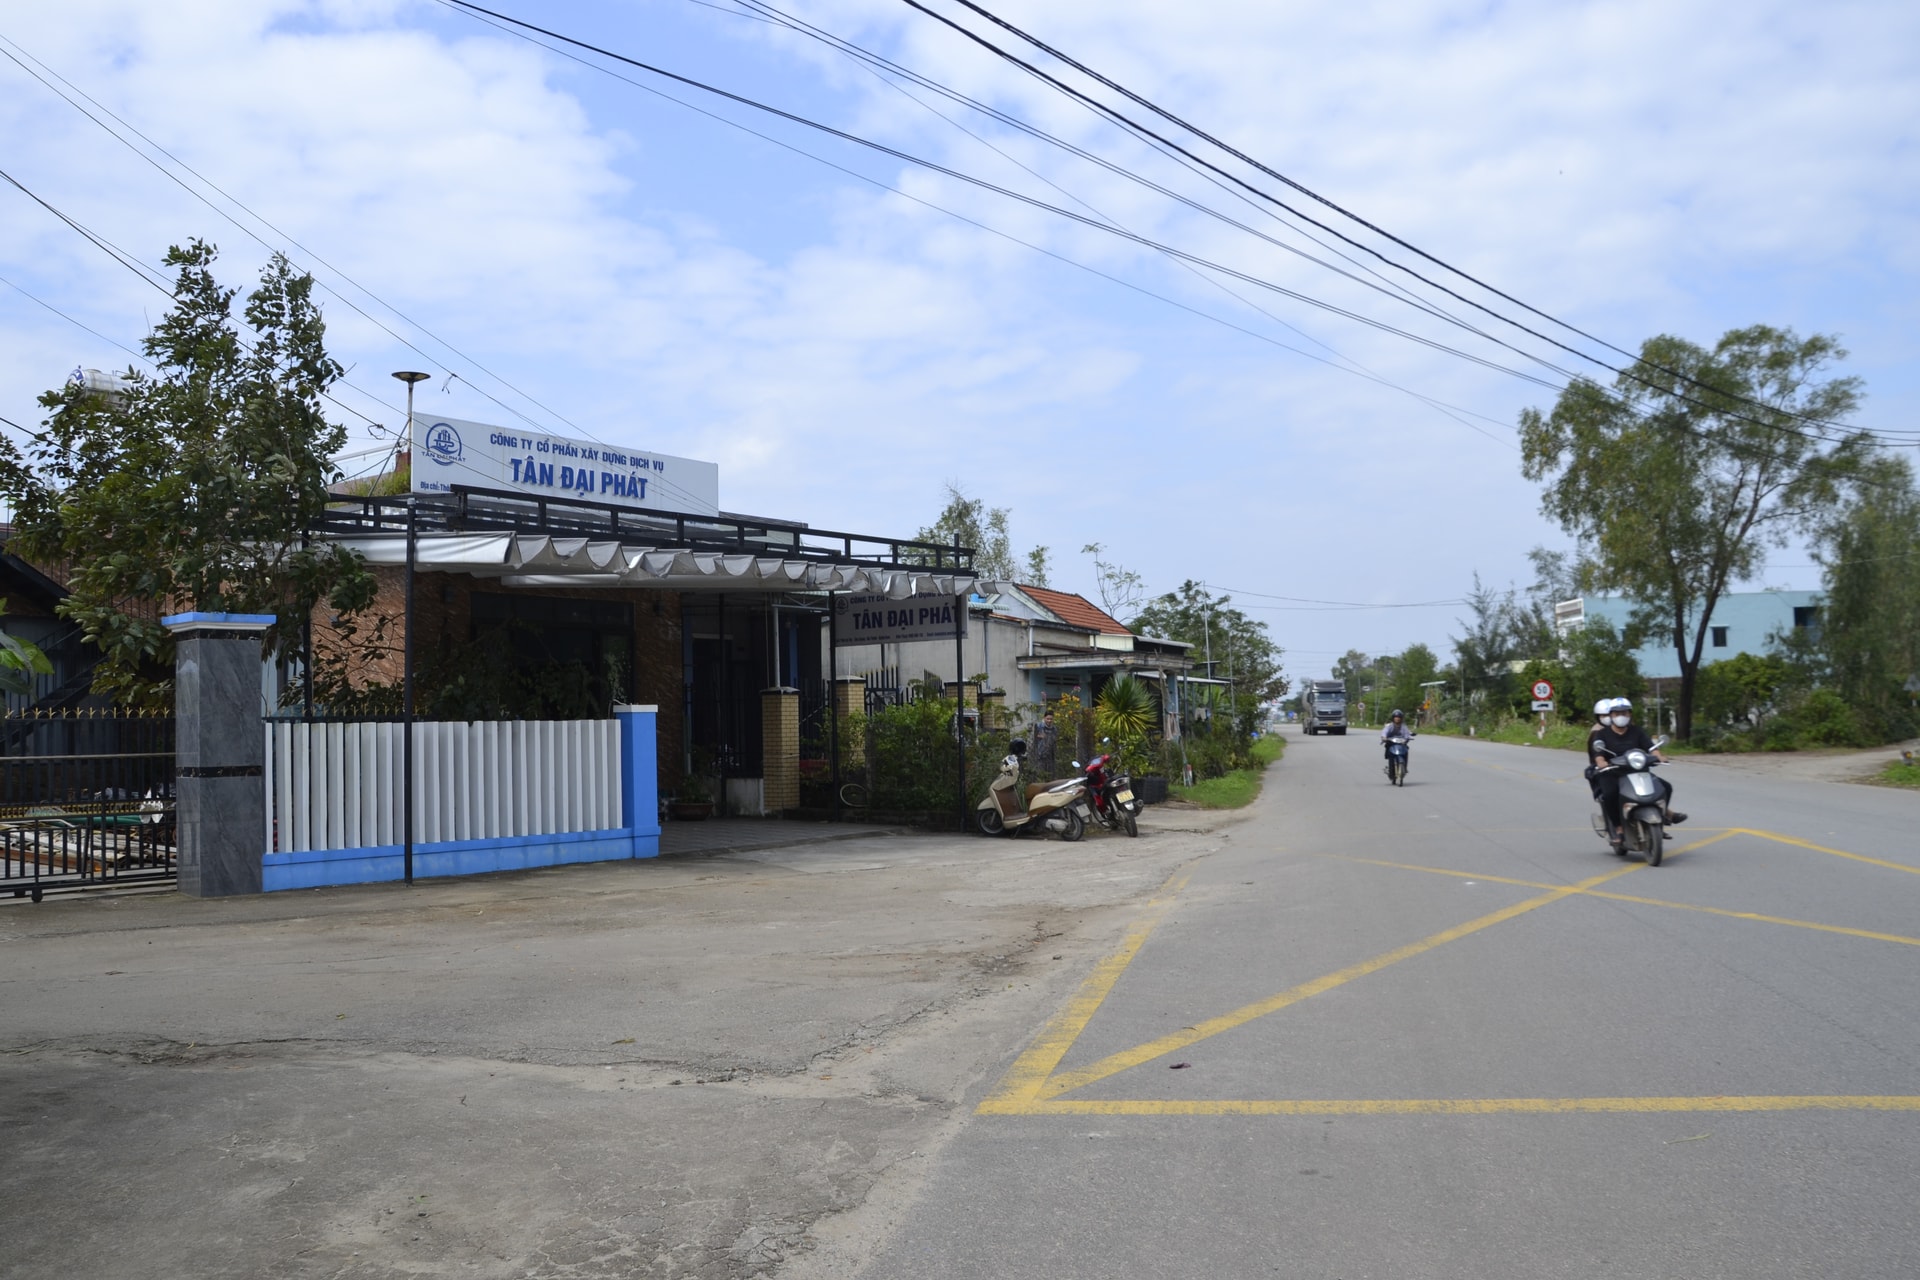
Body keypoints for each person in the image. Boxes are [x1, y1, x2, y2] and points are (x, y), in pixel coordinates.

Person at [1589, 697, 1686, 843]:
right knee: (1609, 794)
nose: (1621, 716)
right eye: (1617, 713)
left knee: (1665, 787)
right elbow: (1598, 753)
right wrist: (1602, 762)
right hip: (1613, 772)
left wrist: (1659, 756)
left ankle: (1662, 815)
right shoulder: (1602, 734)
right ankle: (1618, 828)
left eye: (1624, 713)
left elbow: (1651, 747)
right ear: (1611, 715)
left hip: (1636, 771)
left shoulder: (1637, 731)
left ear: (1630, 714)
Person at [1380, 708, 1415, 775]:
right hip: (1391, 742)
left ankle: (1405, 766)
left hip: (1401, 743)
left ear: (1401, 718)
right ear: (1393, 718)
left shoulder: (1404, 726)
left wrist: (1408, 738)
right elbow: (1385, 732)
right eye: (1396, 717)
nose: (1397, 719)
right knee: (1388, 749)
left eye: (1399, 717)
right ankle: (1390, 768)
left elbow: (1407, 734)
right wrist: (1384, 737)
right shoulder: (1389, 726)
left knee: (1406, 750)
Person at [1033, 709, 1059, 776]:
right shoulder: (1038, 727)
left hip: (1050, 756)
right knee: (1040, 774)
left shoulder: (1054, 729)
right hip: (1040, 756)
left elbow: (1055, 741)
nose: (1049, 721)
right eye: (1048, 719)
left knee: (1050, 775)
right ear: (1044, 718)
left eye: (1051, 719)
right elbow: (1034, 740)